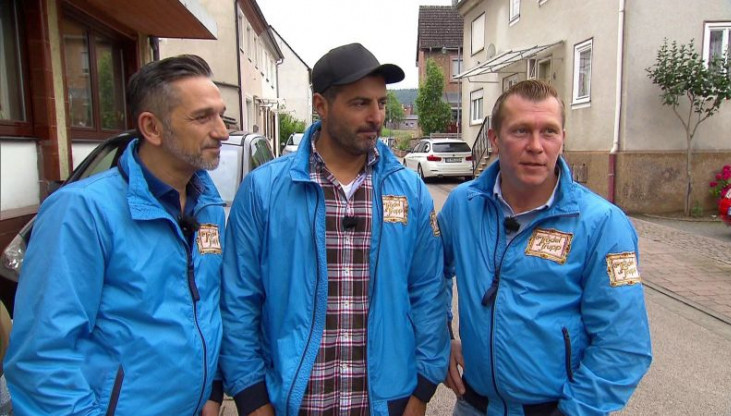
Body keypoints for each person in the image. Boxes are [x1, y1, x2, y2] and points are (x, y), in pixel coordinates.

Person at [219, 42, 450, 416]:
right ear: (321, 105)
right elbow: (239, 299)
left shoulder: (409, 191)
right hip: (293, 402)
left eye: (381, 103)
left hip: (385, 402)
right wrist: (250, 395)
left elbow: (429, 291)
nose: (375, 116)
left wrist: (423, 388)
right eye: (360, 103)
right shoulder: (264, 190)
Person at [3, 55, 228, 415]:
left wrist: (212, 391)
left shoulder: (208, 208)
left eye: (221, 115)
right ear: (151, 127)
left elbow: (208, 308)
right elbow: (43, 358)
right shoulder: (81, 212)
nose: (222, 132)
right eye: (203, 117)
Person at [438, 80, 652, 416]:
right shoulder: (463, 205)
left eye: (548, 132)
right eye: (521, 131)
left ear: (562, 138)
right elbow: (430, 274)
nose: (536, 146)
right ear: (494, 139)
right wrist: (441, 337)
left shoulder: (602, 224)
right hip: (472, 405)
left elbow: (624, 344)